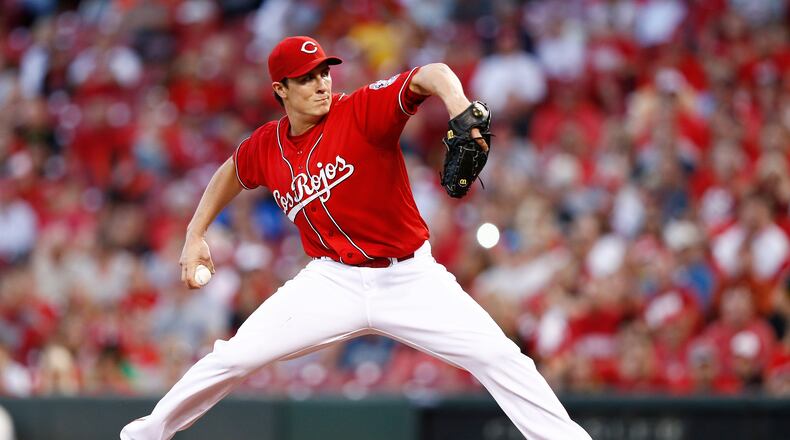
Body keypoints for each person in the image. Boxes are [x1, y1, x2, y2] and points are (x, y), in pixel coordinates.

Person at [120, 36, 591, 440]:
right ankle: (142, 435)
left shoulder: (362, 110)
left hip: (409, 277)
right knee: (234, 357)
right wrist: (195, 232)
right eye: (306, 78)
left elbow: (431, 73)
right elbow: (232, 171)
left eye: (324, 72)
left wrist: (458, 104)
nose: (321, 83)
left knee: (499, 357)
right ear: (280, 89)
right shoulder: (268, 145)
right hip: (332, 282)